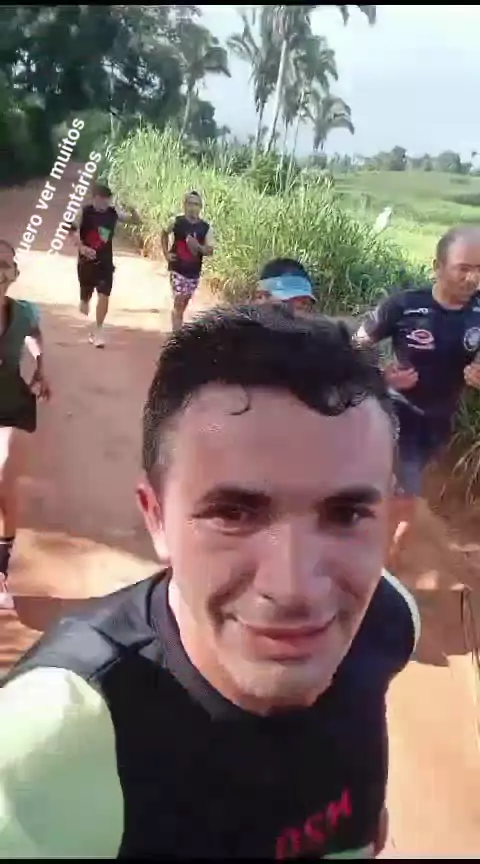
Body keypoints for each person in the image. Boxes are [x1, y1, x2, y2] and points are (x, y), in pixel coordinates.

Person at [0, 305, 420, 858]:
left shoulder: (389, 618)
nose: (295, 588)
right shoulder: (46, 752)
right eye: (233, 513)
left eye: (346, 514)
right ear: (156, 517)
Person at [355, 225, 480, 562]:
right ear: (437, 266)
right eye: (463, 268)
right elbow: (355, 346)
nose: (473, 279)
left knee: (406, 493)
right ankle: (379, 556)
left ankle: (389, 552)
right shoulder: (403, 307)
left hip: (440, 423)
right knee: (404, 494)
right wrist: (382, 376)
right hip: (398, 416)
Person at [0, 240, 51, 609]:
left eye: (6, 264)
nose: (0, 270)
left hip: (11, 402)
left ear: (14, 273)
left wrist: (41, 368)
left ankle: (1, 571)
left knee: (4, 472)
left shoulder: (24, 311)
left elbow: (34, 334)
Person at [69, 183, 136, 349]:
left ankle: (98, 331)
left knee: (104, 295)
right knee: (85, 303)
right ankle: (84, 299)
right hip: (86, 262)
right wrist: (81, 247)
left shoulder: (114, 213)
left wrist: (133, 210)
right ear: (94, 198)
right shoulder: (84, 212)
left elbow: (135, 221)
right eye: (101, 198)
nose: (104, 202)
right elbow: (71, 229)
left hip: (105, 262)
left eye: (107, 199)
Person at [161, 190, 214, 332]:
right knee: (179, 302)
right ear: (184, 205)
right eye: (190, 203)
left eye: (196, 204)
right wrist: (166, 253)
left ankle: (177, 324)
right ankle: (176, 336)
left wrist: (198, 247)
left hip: (194, 272)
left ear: (200, 207)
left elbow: (210, 250)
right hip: (177, 269)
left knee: (184, 302)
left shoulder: (206, 228)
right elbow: (164, 233)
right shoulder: (176, 221)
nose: (192, 207)